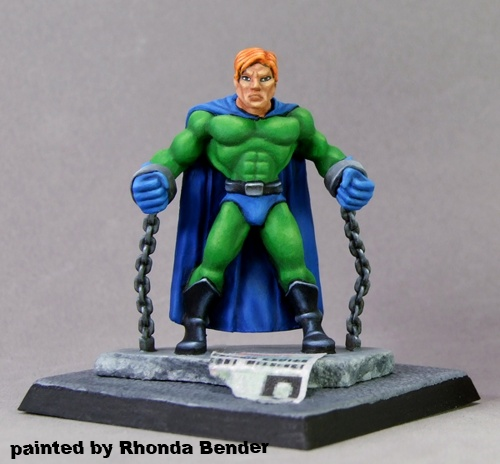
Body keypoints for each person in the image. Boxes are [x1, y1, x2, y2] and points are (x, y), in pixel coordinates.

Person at [131, 47, 374, 355]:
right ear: (236, 81)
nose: (255, 86)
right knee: (212, 263)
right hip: (236, 201)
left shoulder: (293, 121)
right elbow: (175, 155)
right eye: (247, 78)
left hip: (274, 200)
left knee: (293, 262)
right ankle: (194, 327)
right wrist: (155, 176)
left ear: (275, 82)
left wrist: (347, 173)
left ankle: (312, 327)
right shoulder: (212, 120)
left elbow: (324, 152)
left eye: (264, 78)